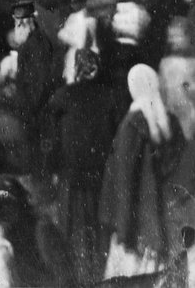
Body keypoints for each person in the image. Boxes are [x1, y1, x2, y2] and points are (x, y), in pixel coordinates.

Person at [99, 62, 187, 279]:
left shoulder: (131, 126)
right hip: (164, 224)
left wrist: (124, 231)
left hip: (136, 225)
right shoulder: (171, 124)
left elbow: (124, 183)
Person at [45, 47, 120, 284]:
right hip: (100, 175)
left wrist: (52, 170)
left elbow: (52, 139)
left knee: (74, 227)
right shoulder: (110, 95)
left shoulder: (62, 96)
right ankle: (97, 274)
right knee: (98, 226)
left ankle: (79, 275)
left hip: (72, 174)